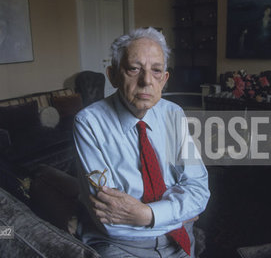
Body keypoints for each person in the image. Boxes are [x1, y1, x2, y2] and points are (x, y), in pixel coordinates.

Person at [73, 27, 210, 258]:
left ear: (164, 79)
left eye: (156, 71)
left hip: (180, 239)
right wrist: (177, 213)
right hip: (122, 245)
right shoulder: (89, 123)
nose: (146, 80)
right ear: (113, 75)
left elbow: (199, 191)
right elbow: (110, 221)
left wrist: (147, 214)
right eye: (134, 69)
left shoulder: (173, 114)